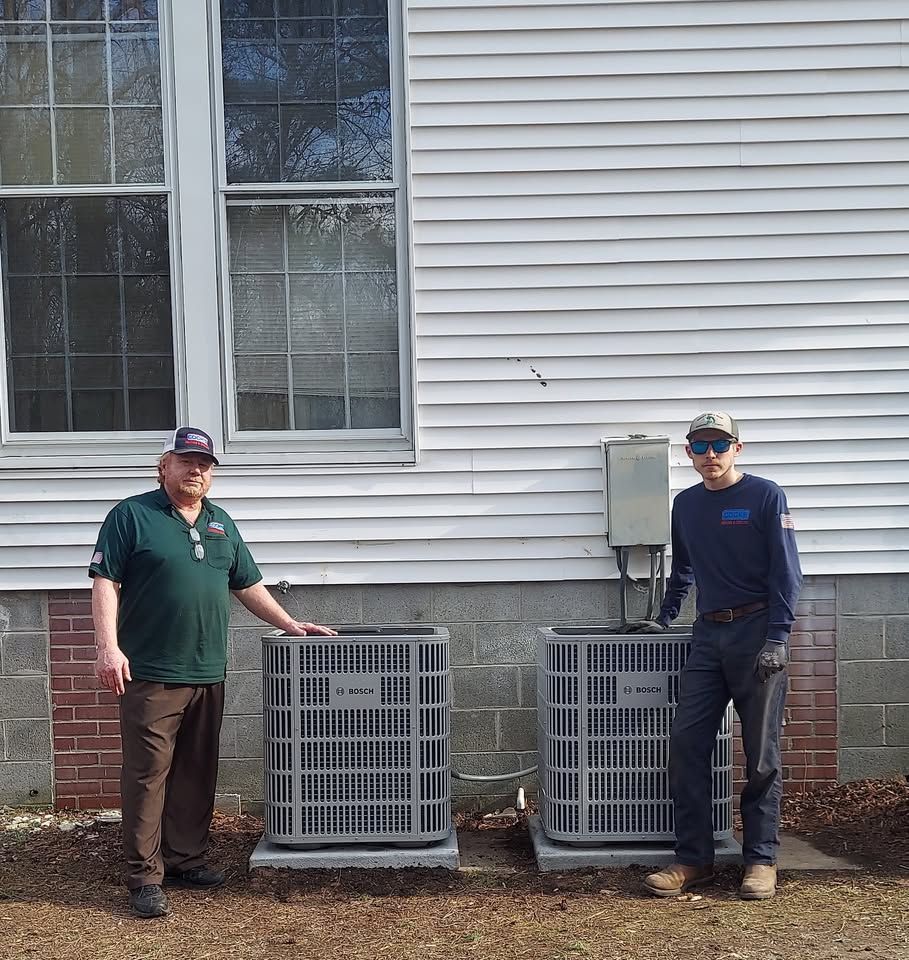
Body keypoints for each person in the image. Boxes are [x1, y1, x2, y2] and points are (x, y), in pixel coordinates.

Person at [90, 426, 336, 919]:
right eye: (185, 461)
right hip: (152, 673)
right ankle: (144, 876)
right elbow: (105, 582)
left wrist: (289, 623)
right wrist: (108, 649)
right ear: (165, 467)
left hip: (207, 671)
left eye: (204, 464)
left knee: (197, 772)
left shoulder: (221, 522)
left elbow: (248, 585)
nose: (196, 470)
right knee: (147, 776)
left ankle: (185, 859)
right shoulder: (131, 516)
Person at [624, 412, 801, 901]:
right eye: (700, 447)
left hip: (757, 634)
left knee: (761, 754)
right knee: (687, 746)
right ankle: (692, 858)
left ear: (737, 448)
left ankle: (761, 860)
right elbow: (683, 570)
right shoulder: (686, 506)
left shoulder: (765, 496)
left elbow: (787, 573)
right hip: (707, 637)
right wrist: (664, 617)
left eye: (719, 445)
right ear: (688, 454)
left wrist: (778, 638)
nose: (710, 456)